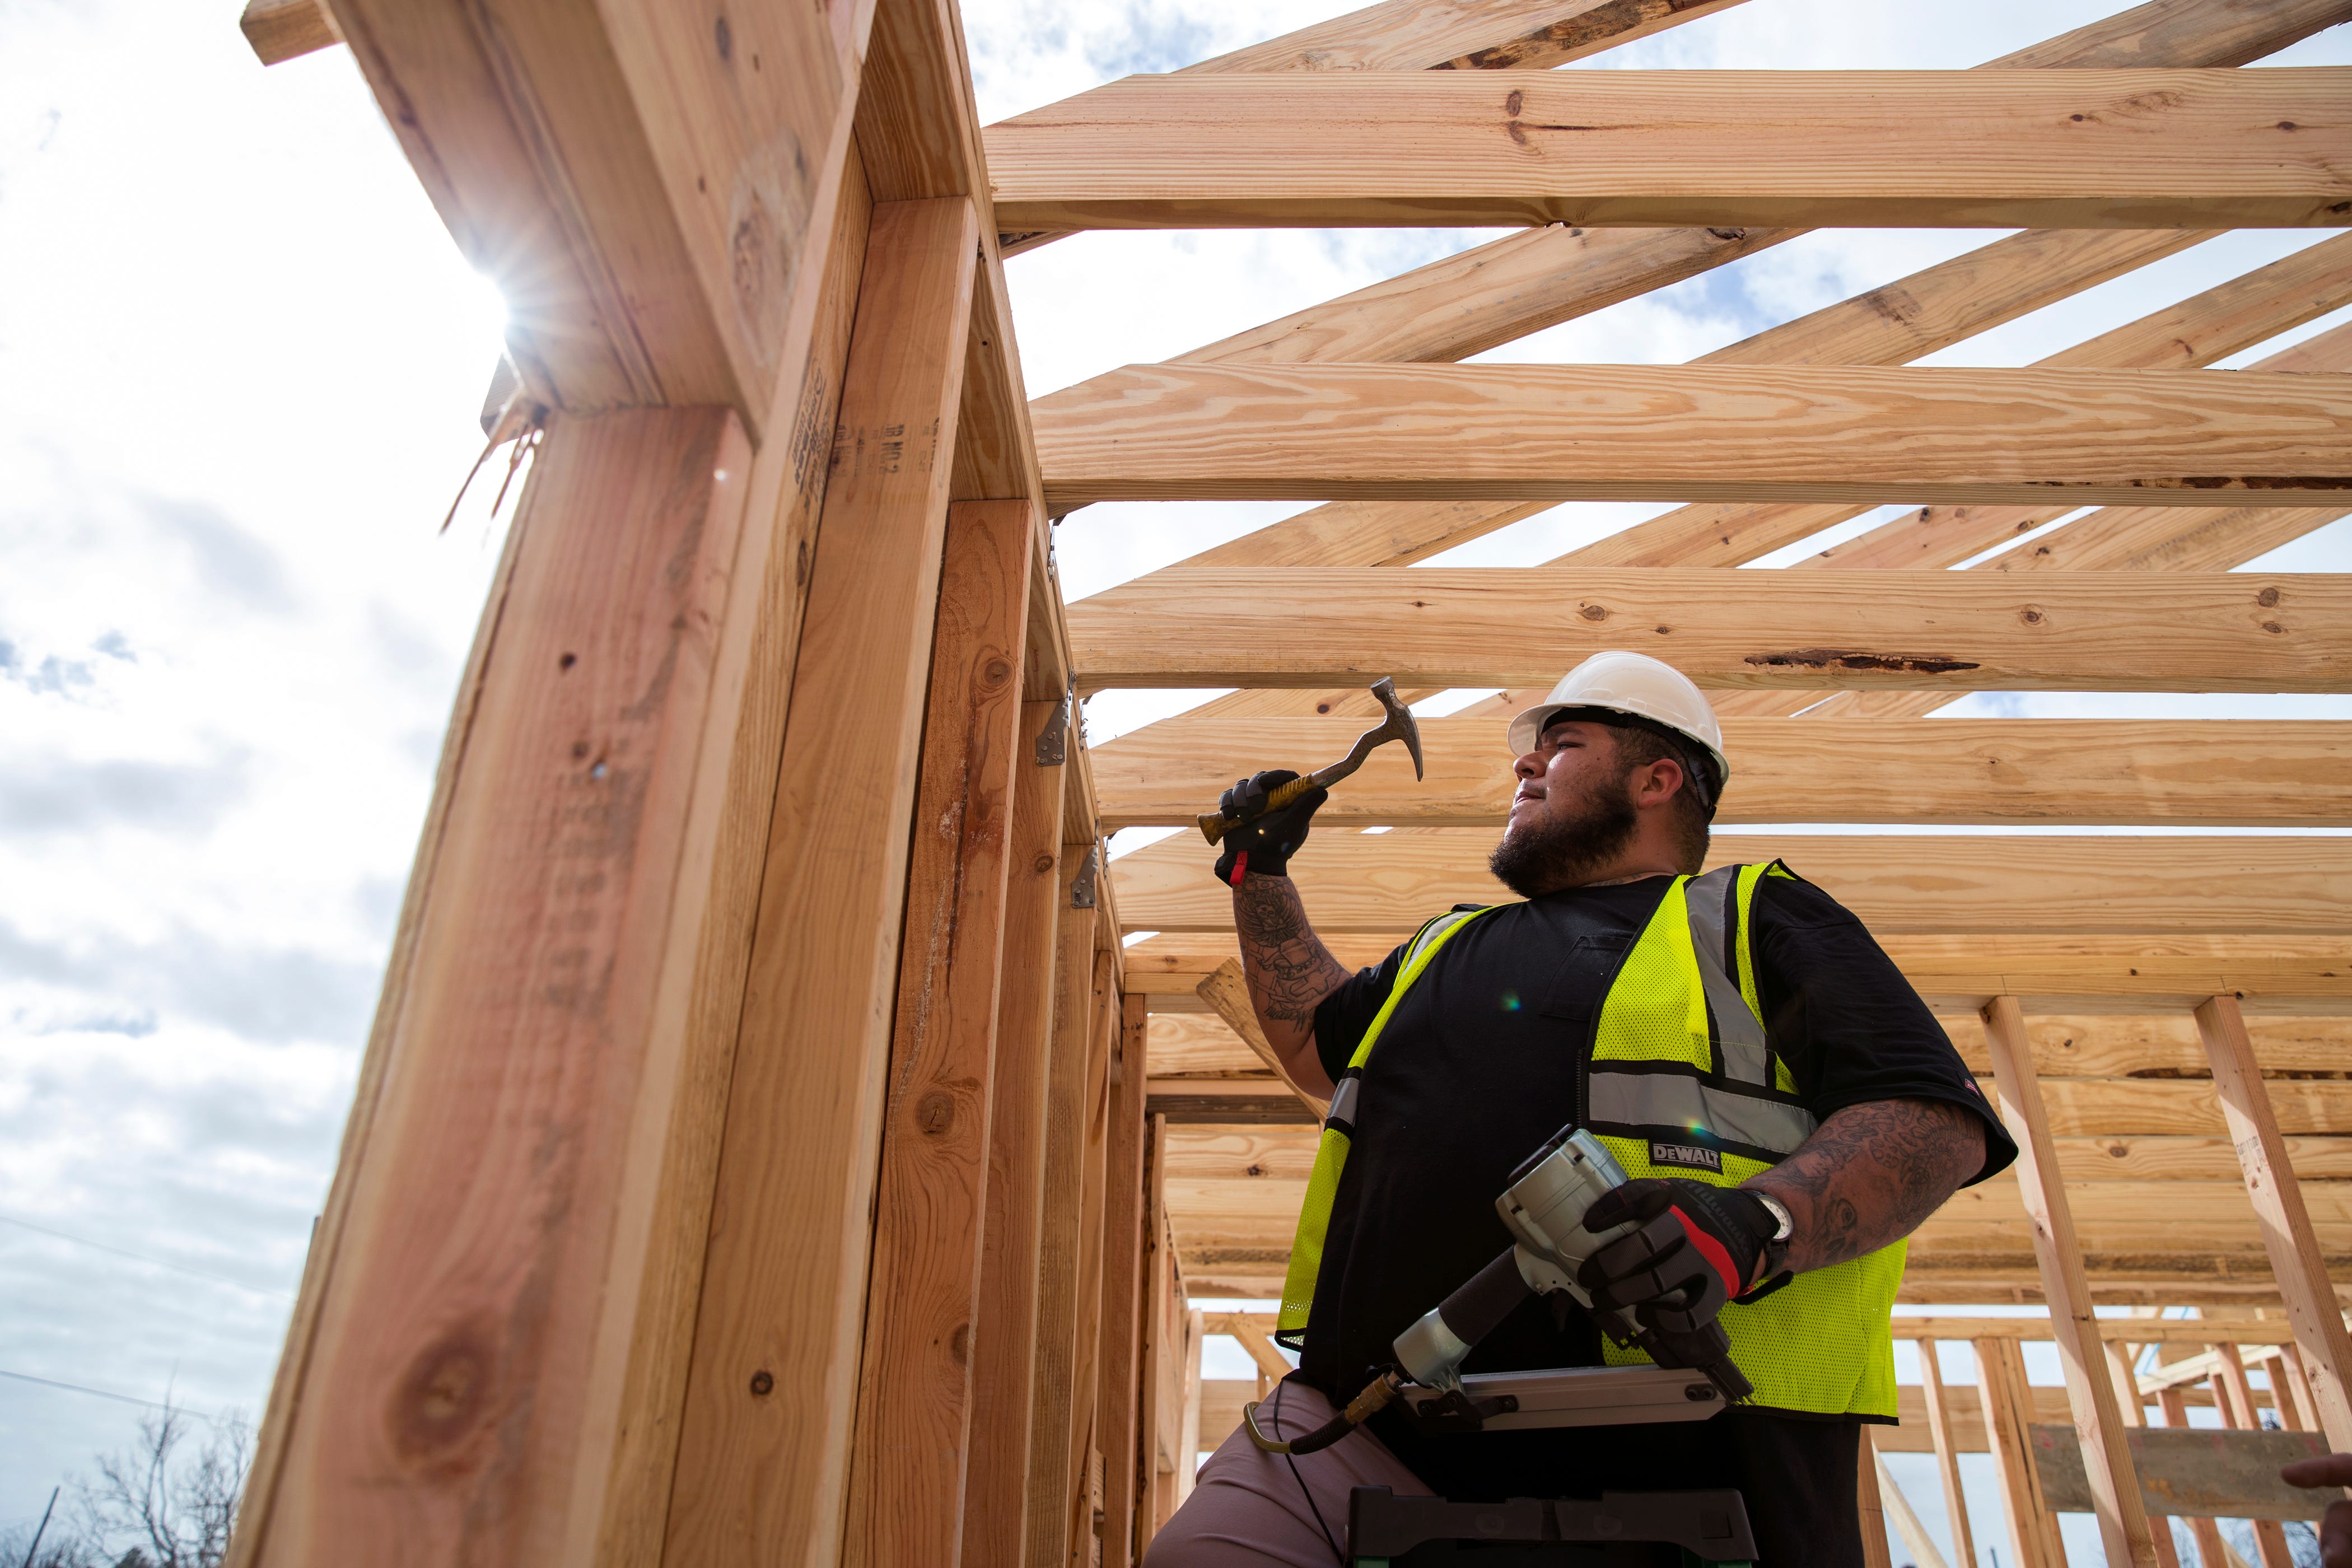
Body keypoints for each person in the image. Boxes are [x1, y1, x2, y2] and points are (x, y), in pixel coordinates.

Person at [1145, 651, 2018, 1567]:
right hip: (1354, 1432)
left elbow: (1932, 1122)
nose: (1523, 763)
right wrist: (1258, 873)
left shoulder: (1755, 915)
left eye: (1561, 744)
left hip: (1676, 1467)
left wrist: (1746, 1225)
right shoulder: (1445, 943)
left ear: (1657, 778)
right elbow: (1310, 1044)